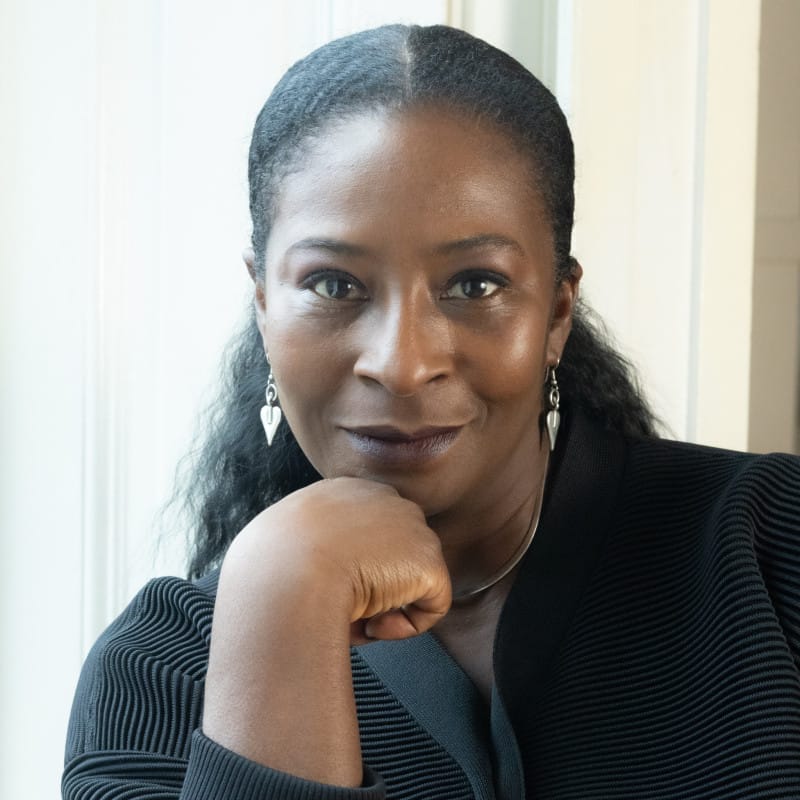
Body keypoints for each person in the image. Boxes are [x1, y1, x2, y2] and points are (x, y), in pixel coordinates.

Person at [62, 24, 800, 800]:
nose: (403, 364)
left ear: (556, 312)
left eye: (476, 285)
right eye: (334, 285)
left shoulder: (771, 548)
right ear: (263, 305)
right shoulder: (160, 671)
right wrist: (282, 607)